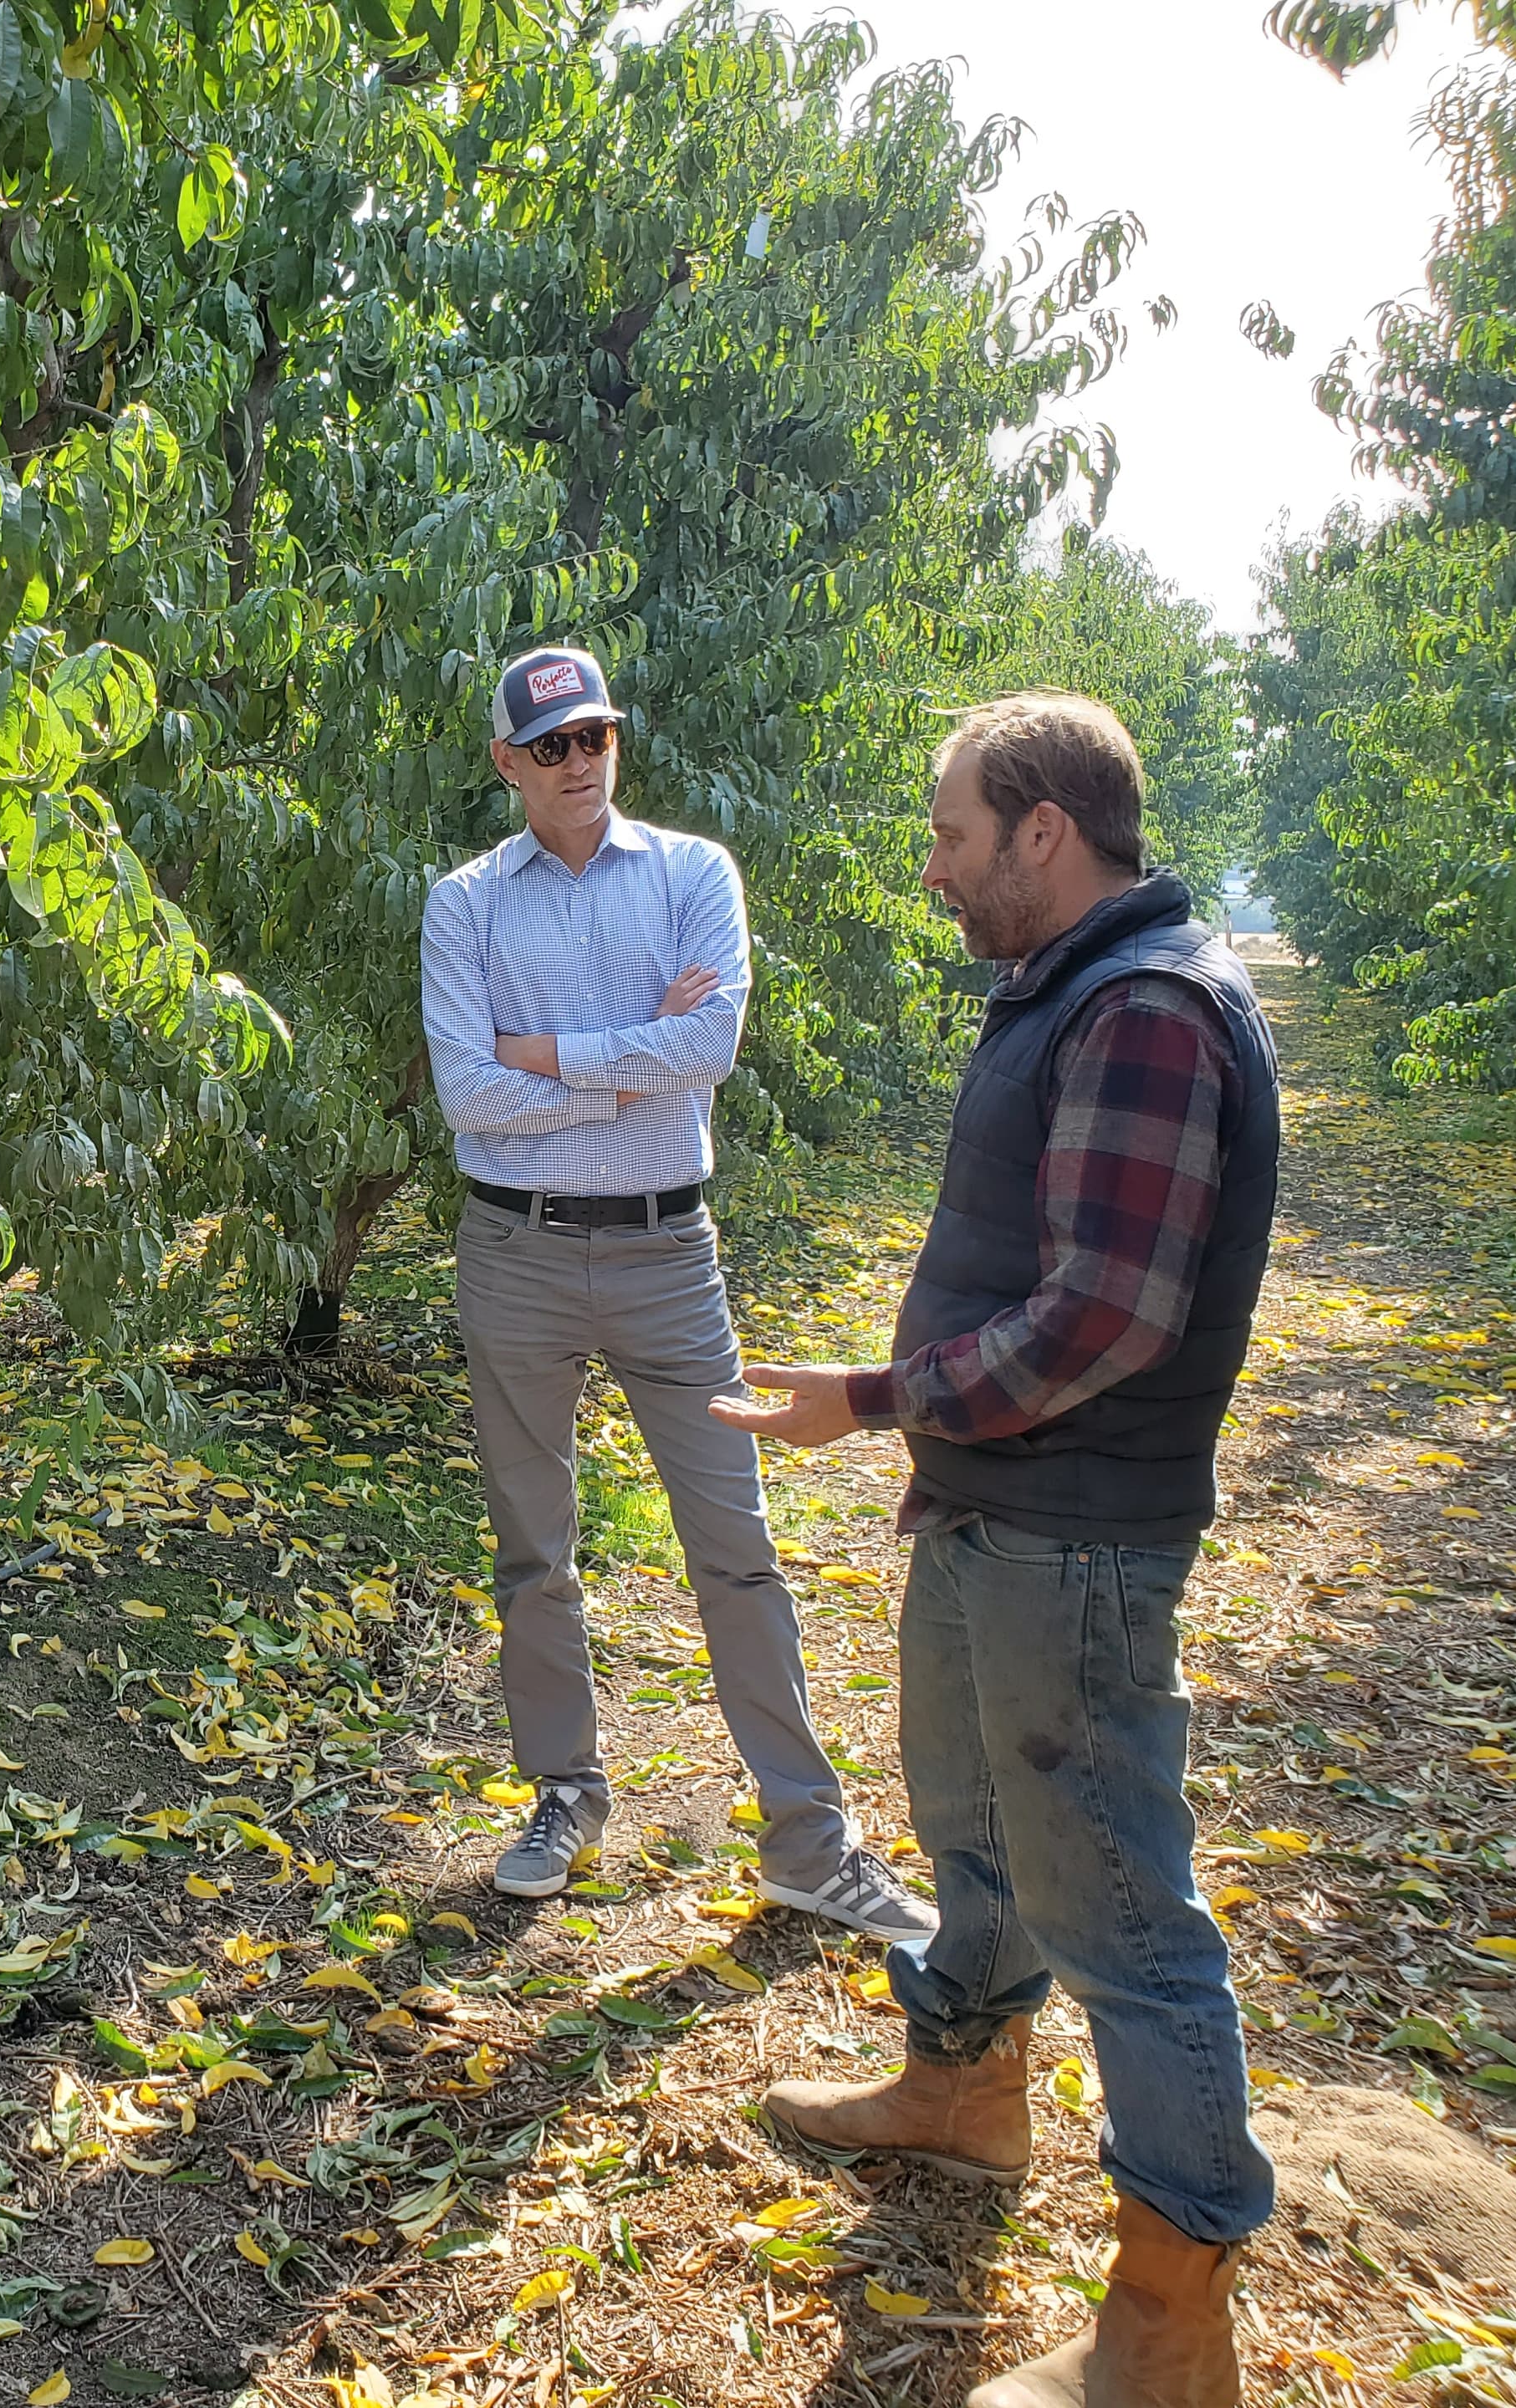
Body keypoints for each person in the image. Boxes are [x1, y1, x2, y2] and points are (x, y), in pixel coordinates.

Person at [716, 692, 1281, 2408]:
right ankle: (965, 2089)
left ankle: (1172, 2321)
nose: (937, 868)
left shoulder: (1152, 1009)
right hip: (996, 1517)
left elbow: (1106, 1315)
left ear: (1046, 831)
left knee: (1118, 1910)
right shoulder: (1070, 991)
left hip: (1079, 1542)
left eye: (954, 833)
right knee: (970, 1818)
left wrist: (880, 1398)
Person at [418, 643, 934, 1942]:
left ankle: (810, 1841)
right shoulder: (465, 903)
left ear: (615, 744)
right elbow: (468, 1093)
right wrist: (630, 1060)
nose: (578, 762)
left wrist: (552, 1057)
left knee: (737, 1549)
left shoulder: (697, 874)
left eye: (594, 737)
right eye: (549, 746)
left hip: (667, 1256)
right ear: (507, 764)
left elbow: (710, 1042)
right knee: (534, 1551)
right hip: (516, 1255)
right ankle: (563, 1794)